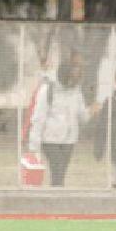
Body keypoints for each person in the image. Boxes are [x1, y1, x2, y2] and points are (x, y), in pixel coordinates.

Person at [26, 54, 96, 186]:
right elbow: (38, 118)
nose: (73, 82)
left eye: (77, 77)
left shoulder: (76, 91)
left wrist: (91, 111)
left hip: (69, 140)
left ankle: (56, 195)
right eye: (71, 77)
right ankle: (56, 198)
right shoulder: (48, 90)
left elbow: (82, 117)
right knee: (57, 170)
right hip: (50, 139)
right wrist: (33, 146)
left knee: (61, 173)